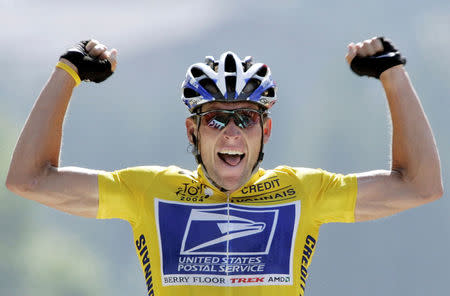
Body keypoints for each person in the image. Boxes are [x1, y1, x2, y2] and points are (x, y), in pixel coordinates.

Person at [5, 37, 443, 296]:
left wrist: (392, 73)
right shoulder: (149, 191)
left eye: (246, 118)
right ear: (192, 133)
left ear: (265, 132)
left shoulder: (304, 192)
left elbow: (420, 185)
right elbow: (29, 178)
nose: (231, 132)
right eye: (215, 118)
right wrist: (68, 72)